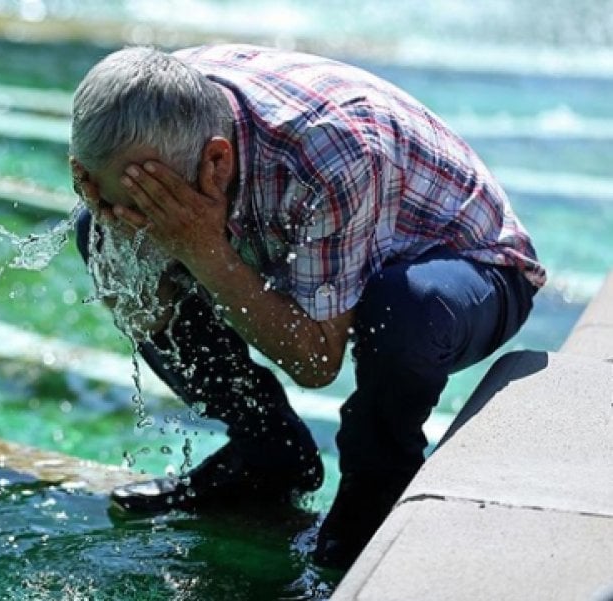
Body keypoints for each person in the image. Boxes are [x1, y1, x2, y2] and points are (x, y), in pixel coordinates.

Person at [68, 45, 544, 569]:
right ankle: (268, 454)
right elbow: (145, 307)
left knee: (403, 306)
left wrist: (202, 249)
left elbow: (316, 362)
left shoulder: (332, 151)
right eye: (106, 195)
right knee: (99, 236)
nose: (126, 215)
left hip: (471, 270)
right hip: (321, 234)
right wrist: (116, 228)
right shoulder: (138, 112)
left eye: (145, 204)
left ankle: (375, 491)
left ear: (216, 162)